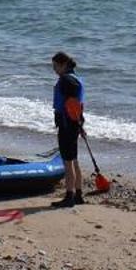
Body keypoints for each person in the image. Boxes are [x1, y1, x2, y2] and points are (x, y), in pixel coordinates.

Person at [50, 51, 85, 207]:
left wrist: (77, 124)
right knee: (74, 160)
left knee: (68, 162)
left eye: (55, 66)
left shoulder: (66, 81)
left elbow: (72, 105)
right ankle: (78, 195)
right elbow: (77, 107)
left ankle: (69, 196)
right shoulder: (75, 78)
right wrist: (80, 125)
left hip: (67, 125)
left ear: (63, 64)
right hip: (73, 124)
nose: (54, 69)